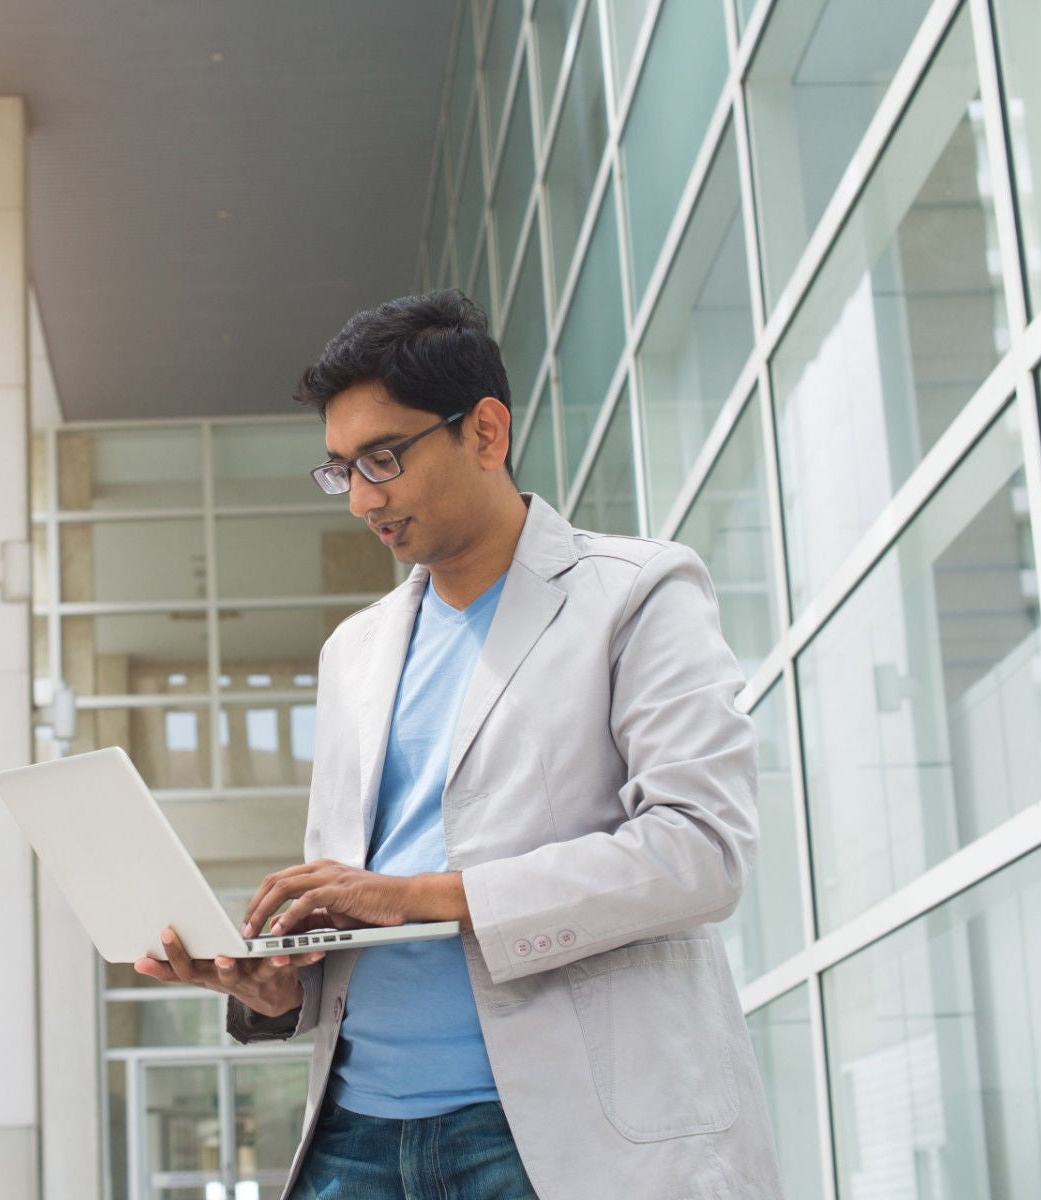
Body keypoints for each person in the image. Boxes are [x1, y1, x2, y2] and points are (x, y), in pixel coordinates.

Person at [134, 291, 781, 1199]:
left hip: (550, 1137)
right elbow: (352, 908)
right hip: (357, 1138)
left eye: (383, 458)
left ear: (485, 431)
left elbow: (700, 851)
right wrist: (272, 987)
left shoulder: (638, 594)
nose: (362, 499)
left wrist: (414, 896)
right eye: (341, 471)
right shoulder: (353, 652)